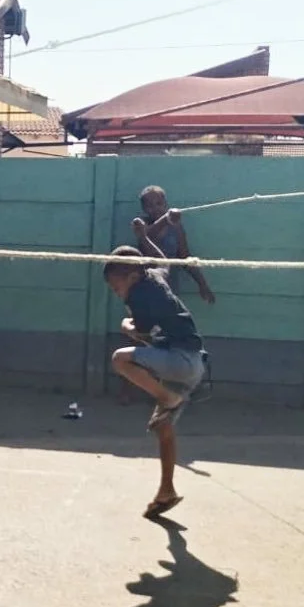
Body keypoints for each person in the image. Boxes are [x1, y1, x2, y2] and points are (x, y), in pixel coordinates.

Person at [105, 222, 207, 520]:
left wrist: (125, 325)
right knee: (164, 427)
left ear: (132, 276)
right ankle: (166, 491)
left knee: (120, 360)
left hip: (180, 360)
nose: (117, 293)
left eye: (116, 287)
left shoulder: (140, 296)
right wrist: (144, 237)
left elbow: (141, 334)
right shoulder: (156, 277)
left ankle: (168, 397)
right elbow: (163, 259)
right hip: (193, 364)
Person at [136, 186, 215, 304]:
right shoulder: (141, 224)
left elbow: (184, 257)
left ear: (165, 204)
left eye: (159, 203)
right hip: (147, 285)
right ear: (144, 209)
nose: (155, 208)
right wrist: (166, 219)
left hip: (169, 287)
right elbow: (147, 237)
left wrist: (202, 284)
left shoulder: (176, 227)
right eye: (150, 206)